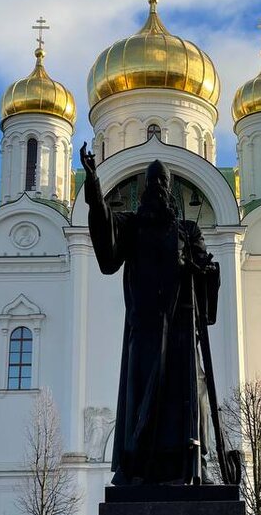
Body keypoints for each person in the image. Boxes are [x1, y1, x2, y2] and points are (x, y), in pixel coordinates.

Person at [80, 145, 219, 485]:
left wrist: (199, 269)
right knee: (141, 395)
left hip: (181, 330)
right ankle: (136, 466)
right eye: (151, 183)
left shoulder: (188, 230)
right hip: (143, 331)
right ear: (143, 191)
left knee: (189, 396)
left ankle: (191, 464)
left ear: (169, 191)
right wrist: (95, 185)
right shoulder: (131, 226)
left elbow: (207, 270)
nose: (157, 189)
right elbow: (107, 247)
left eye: (162, 183)